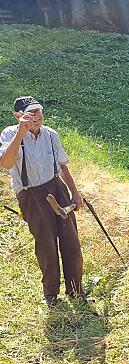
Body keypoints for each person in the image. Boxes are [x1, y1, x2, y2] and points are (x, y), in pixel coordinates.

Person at [0, 96, 84, 306]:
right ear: (18, 116)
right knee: (46, 243)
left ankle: (76, 290)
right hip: (31, 194)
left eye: (38, 111)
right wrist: (21, 133)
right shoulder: (10, 134)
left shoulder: (50, 135)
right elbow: (6, 164)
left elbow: (62, 166)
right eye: (30, 112)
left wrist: (75, 193)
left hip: (56, 187)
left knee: (71, 240)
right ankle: (51, 293)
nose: (36, 116)